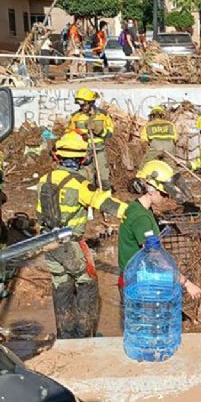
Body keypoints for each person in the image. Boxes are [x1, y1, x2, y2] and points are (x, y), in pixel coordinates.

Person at [36, 131, 127, 338]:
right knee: (87, 284)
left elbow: (39, 212)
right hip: (70, 245)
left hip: (48, 242)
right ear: (83, 159)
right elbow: (103, 202)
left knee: (61, 286)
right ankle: (85, 335)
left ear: (57, 157)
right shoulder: (79, 184)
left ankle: (65, 334)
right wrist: (129, 212)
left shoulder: (44, 180)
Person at [118, 160, 201, 300]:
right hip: (138, 281)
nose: (167, 197)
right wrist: (186, 283)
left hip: (134, 275)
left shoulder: (136, 207)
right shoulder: (141, 218)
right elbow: (154, 258)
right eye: (163, 193)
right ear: (151, 189)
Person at [67, 87, 114, 190]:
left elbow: (110, 133)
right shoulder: (75, 117)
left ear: (91, 102)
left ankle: (105, 200)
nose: (82, 107)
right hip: (84, 153)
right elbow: (69, 134)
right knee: (87, 180)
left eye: (84, 104)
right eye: (80, 105)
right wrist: (80, 136)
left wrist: (99, 130)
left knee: (104, 179)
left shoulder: (103, 115)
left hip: (99, 151)